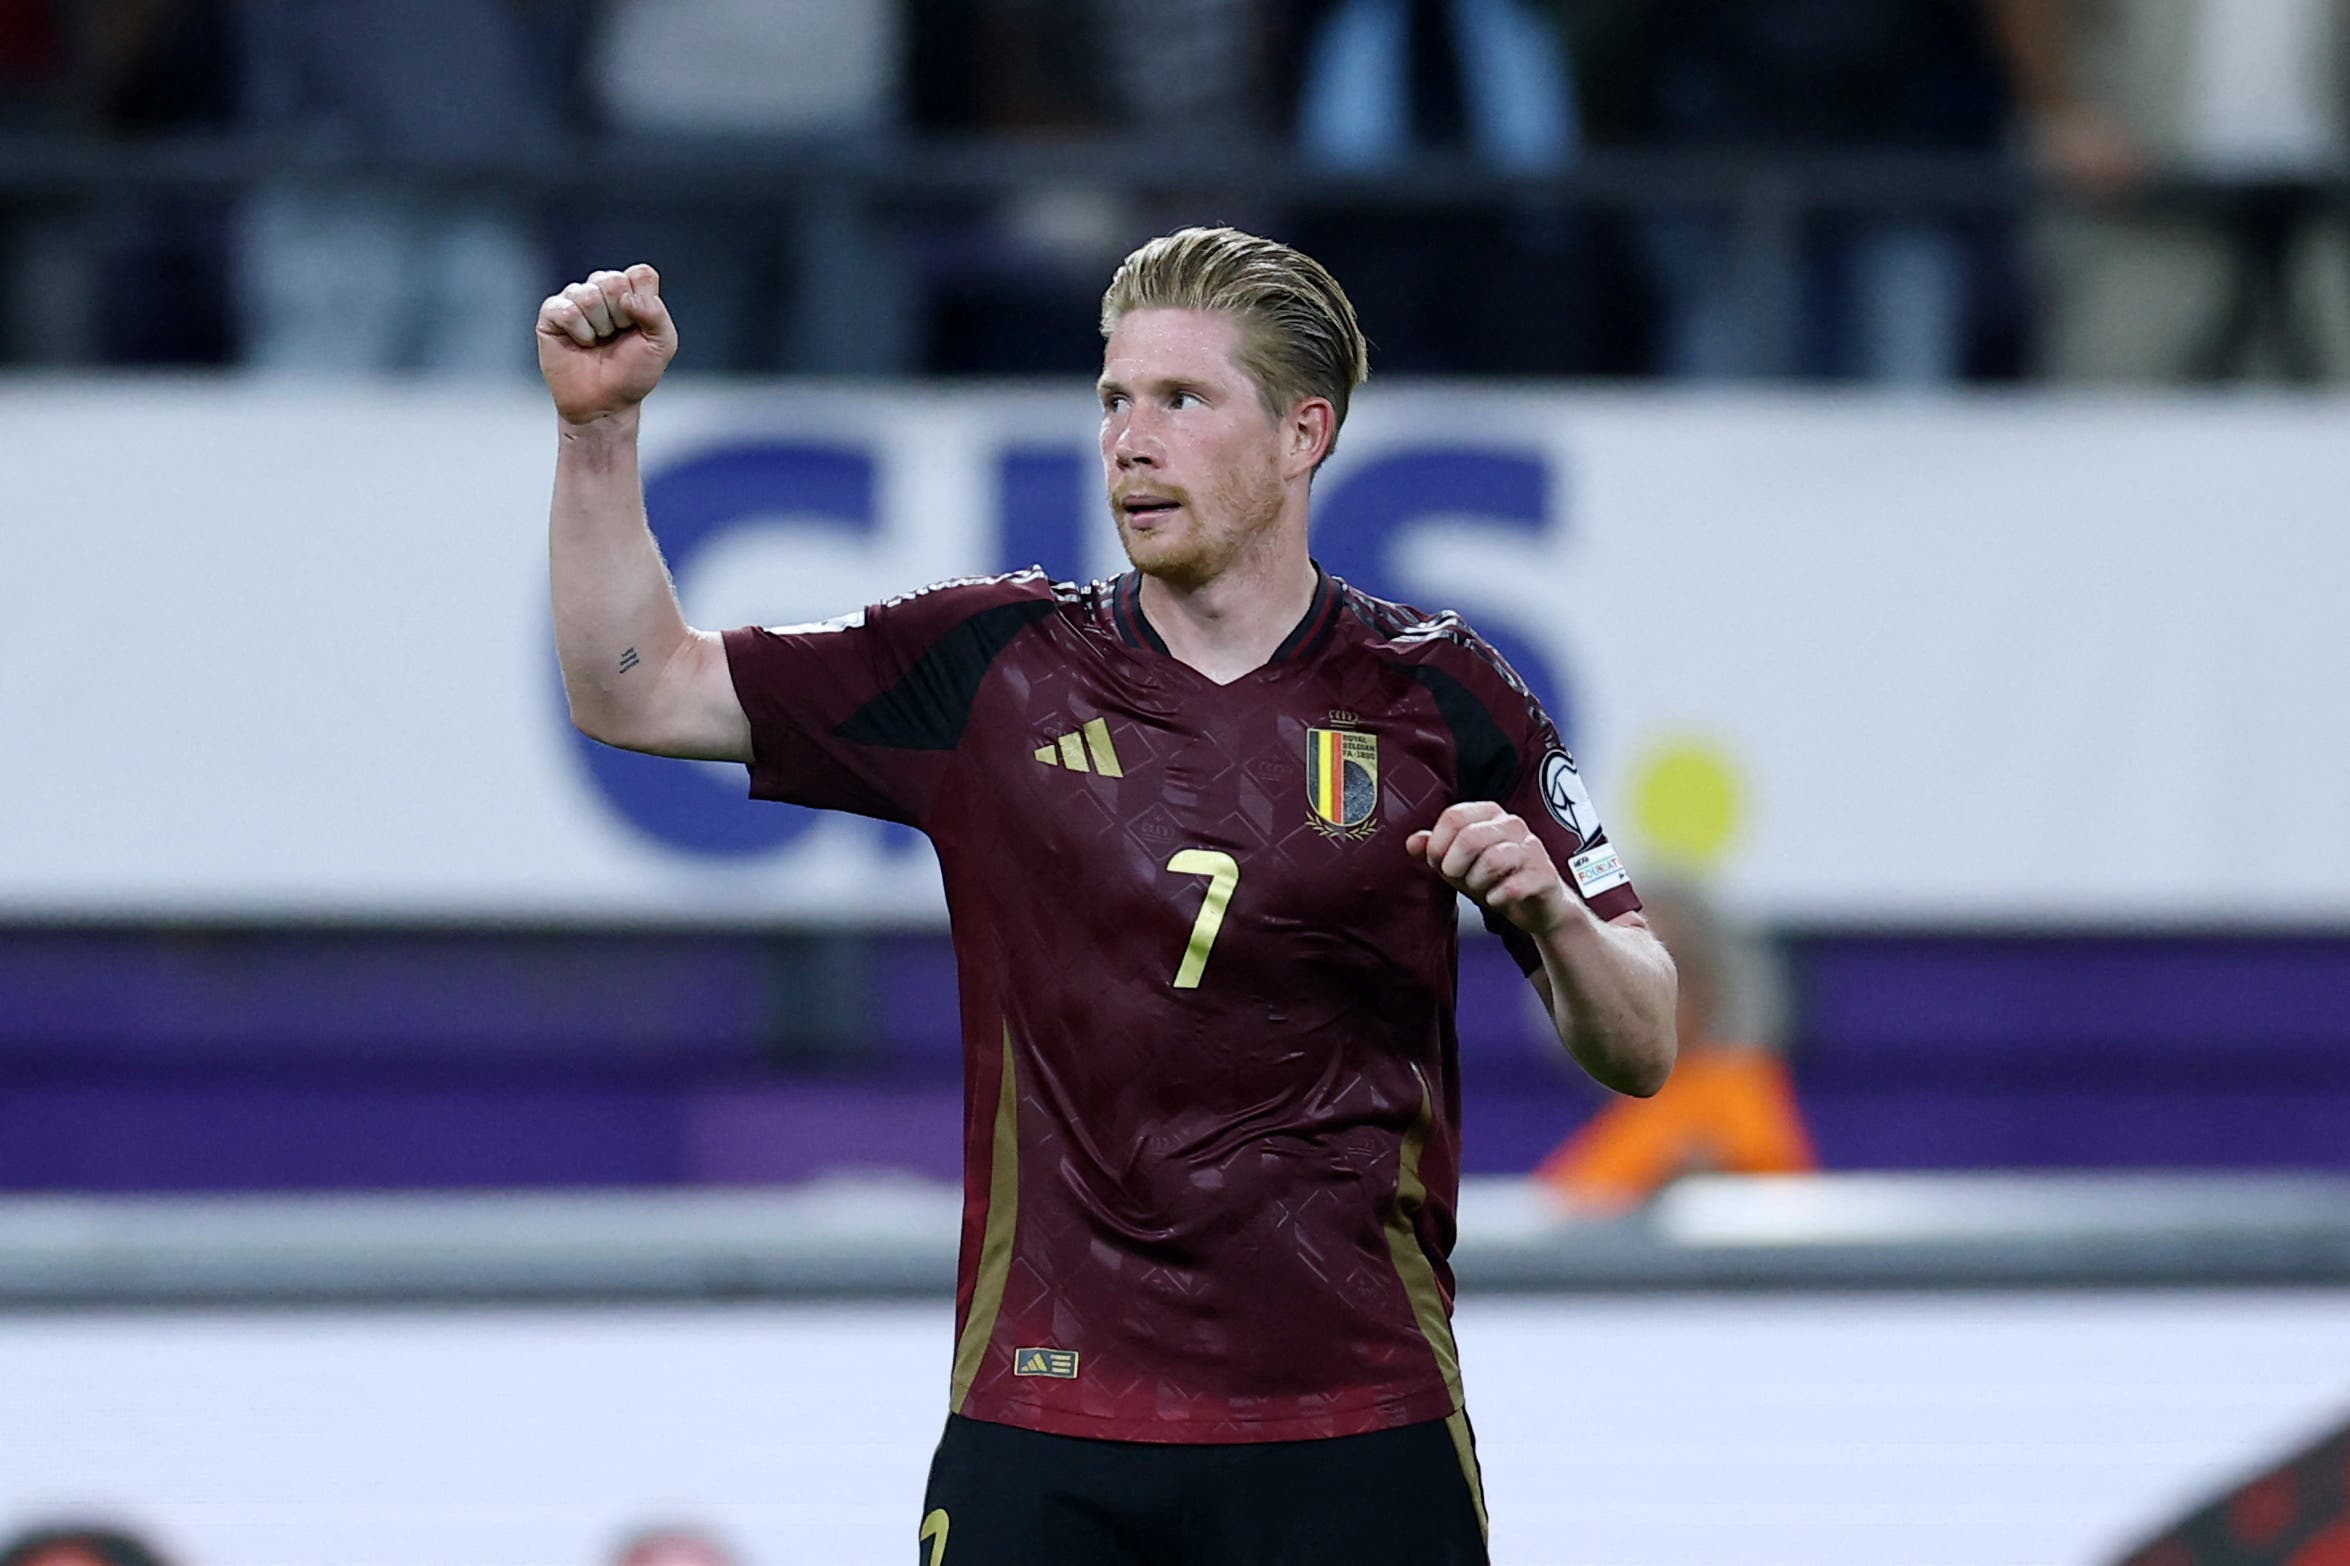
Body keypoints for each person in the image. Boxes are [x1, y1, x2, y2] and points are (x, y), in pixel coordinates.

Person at [538, 225, 1677, 1564]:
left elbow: (1644, 1038)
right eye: (1112, 399)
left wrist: (1546, 909)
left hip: (1355, 1421)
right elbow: (635, 686)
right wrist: (601, 439)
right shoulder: (992, 668)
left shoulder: (1438, 693)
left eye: (1181, 400)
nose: (1128, 439)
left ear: (1302, 434)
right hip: (1050, 1418)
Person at [1535, 881, 1815, 1212]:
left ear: (1710, 990)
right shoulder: (1638, 1104)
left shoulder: (1736, 1093)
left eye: (1666, 973)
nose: (1633, 994)